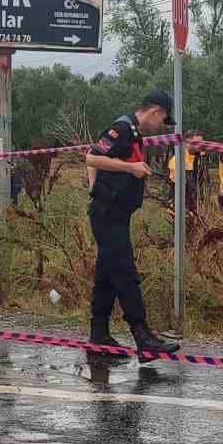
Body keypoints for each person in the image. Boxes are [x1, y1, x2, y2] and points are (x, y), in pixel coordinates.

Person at [85, 90, 180, 356]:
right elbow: (91, 157)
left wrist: (98, 185)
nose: (161, 127)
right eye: (162, 121)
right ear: (155, 112)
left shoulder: (134, 133)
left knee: (106, 275)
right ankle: (142, 335)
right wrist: (131, 169)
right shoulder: (122, 128)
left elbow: (94, 155)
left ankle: (99, 334)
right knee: (125, 272)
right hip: (108, 215)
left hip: (117, 214)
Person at [166, 131, 204, 213]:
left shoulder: (199, 159)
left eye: (201, 142)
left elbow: (200, 183)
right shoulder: (176, 160)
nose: (200, 145)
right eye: (197, 142)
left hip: (195, 205)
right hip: (180, 205)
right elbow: (174, 187)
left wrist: (200, 202)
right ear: (187, 142)